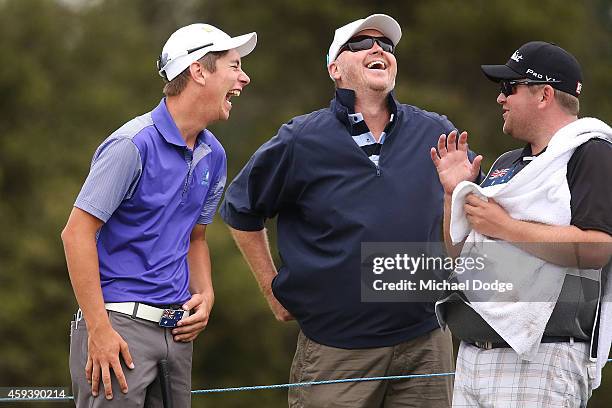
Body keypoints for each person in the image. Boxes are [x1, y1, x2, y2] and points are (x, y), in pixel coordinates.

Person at [221, 14, 479, 408]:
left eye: (386, 46)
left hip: (427, 343)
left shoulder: (436, 132)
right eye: (360, 44)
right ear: (335, 68)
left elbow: (474, 219)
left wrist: (454, 196)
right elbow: (241, 210)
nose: (378, 50)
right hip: (335, 350)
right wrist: (273, 292)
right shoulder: (300, 139)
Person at [61, 23, 256, 407]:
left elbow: (195, 237)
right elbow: (75, 234)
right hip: (116, 329)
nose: (244, 77)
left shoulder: (214, 154)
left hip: (177, 334)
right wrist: (99, 331)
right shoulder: (131, 145)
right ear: (199, 71)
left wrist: (206, 293)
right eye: (234, 66)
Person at [430, 41, 612, 407]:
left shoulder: (590, 152)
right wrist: (454, 196)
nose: (501, 99)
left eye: (508, 88)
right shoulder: (507, 163)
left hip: (539, 359)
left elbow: (597, 247)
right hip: (473, 355)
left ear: (544, 94)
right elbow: (465, 257)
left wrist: (505, 227)